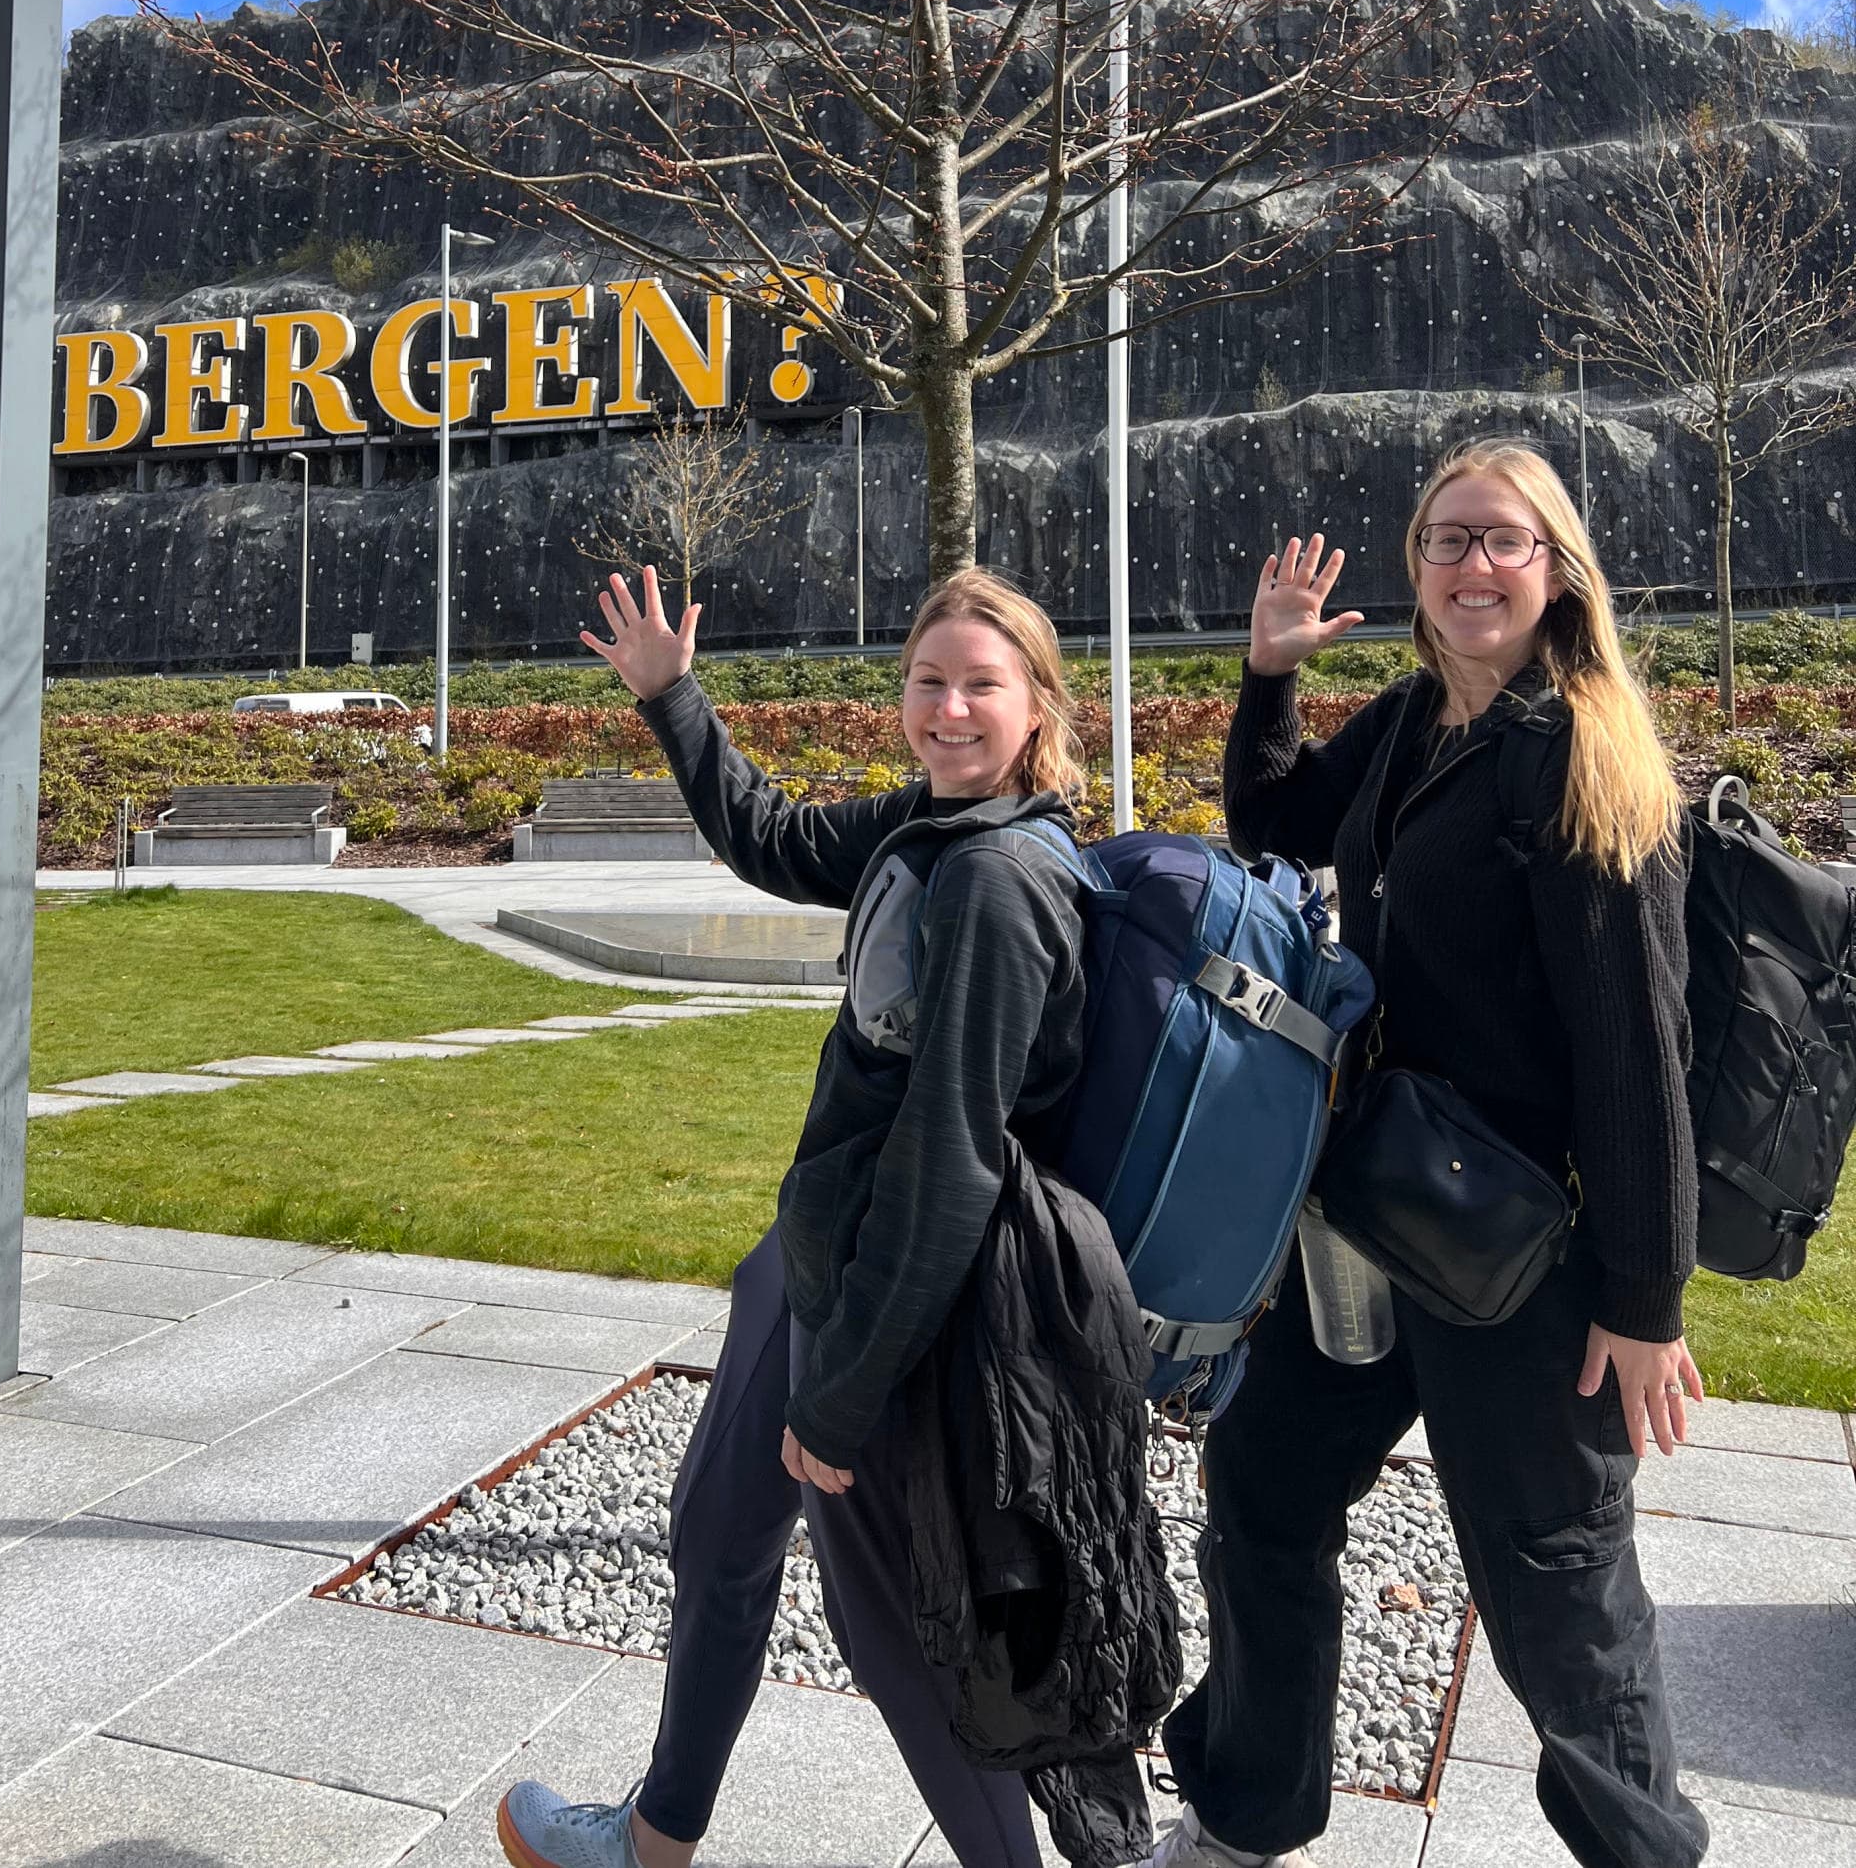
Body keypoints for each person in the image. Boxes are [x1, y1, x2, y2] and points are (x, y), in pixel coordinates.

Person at [499, 563, 1152, 1868]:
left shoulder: (1001, 886)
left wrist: (843, 1391)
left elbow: (953, 1161)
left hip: (899, 1305)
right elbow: (780, 841)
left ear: (1039, 707)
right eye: (930, 681)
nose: (951, 708)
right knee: (720, 1532)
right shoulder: (934, 830)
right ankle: (656, 1835)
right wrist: (675, 699)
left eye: (983, 685)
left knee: (909, 1633)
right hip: (811, 1265)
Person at [1153, 439, 1709, 1868]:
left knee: (1556, 1590)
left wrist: (1644, 1303)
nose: (1476, 565)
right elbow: (1273, 824)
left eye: (1506, 541)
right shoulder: (1414, 726)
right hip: (1376, 1232)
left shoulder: (1581, 759)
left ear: (1556, 569)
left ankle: (1646, 1853)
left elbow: (1639, 1061)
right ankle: (1248, 1808)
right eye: (1451, 539)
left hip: (1527, 1262)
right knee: (1263, 1491)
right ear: (1416, 566)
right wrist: (1270, 674)